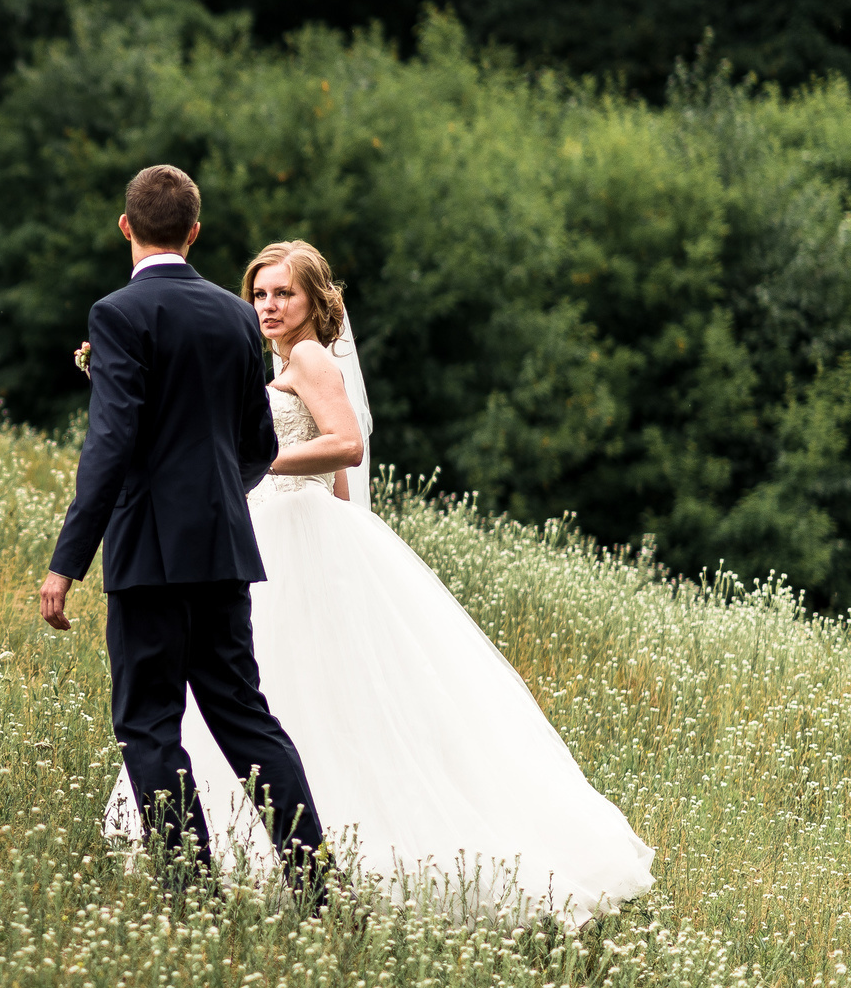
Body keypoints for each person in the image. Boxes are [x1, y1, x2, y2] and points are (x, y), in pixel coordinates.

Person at [101, 239, 656, 924]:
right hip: (287, 525)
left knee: (258, 700)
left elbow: (346, 443)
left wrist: (259, 463)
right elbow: (339, 483)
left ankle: (285, 861)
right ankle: (300, 857)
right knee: (289, 696)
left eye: (284, 294)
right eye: (260, 294)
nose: (269, 306)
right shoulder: (281, 361)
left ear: (313, 302)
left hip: (288, 525)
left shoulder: (306, 357)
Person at [39, 166, 328, 896]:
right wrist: (212, 500)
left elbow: (109, 448)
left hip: (146, 556)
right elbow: (257, 446)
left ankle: (192, 890)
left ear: (125, 226)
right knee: (245, 719)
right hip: (225, 546)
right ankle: (318, 883)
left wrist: (65, 563)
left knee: (149, 723)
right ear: (194, 231)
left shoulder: (117, 314)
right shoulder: (236, 317)